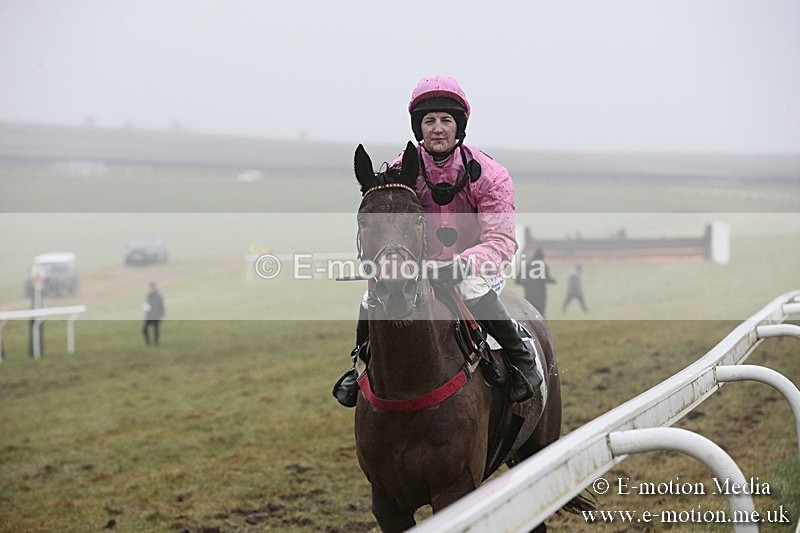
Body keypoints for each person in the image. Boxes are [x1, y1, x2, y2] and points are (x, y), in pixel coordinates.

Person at [333, 75, 542, 407]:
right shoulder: (403, 170)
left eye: (446, 120)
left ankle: (523, 363)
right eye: (429, 121)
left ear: (459, 127)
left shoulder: (490, 175)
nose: (438, 128)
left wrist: (461, 265)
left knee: (471, 286)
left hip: (475, 266)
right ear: (419, 128)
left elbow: (501, 239)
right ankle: (359, 366)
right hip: (419, 267)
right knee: (371, 294)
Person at [516, 247, 556, 317]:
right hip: (540, 296)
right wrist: (553, 280)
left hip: (529, 295)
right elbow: (548, 278)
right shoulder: (543, 266)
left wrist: (526, 284)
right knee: (541, 316)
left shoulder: (527, 266)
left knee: (529, 316)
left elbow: (517, 280)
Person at [142, 281, 165, 345]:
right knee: (144, 329)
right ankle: (148, 342)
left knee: (156, 330)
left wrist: (162, 316)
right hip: (149, 316)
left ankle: (156, 342)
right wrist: (146, 307)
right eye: (150, 287)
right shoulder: (148, 296)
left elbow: (162, 306)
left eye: (153, 287)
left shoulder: (159, 296)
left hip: (156, 316)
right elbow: (145, 304)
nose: (151, 288)